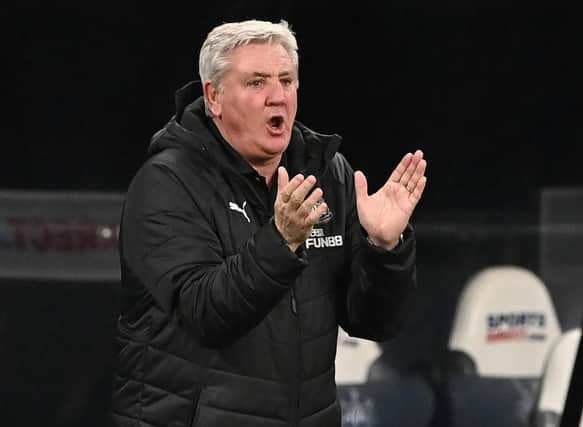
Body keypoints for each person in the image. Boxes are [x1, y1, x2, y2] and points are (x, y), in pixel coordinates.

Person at [109, 19, 427, 427]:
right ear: (214, 97)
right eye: (257, 83)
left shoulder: (327, 174)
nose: (277, 96)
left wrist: (385, 249)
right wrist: (281, 241)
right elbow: (206, 316)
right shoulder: (167, 183)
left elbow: (374, 322)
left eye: (286, 80)